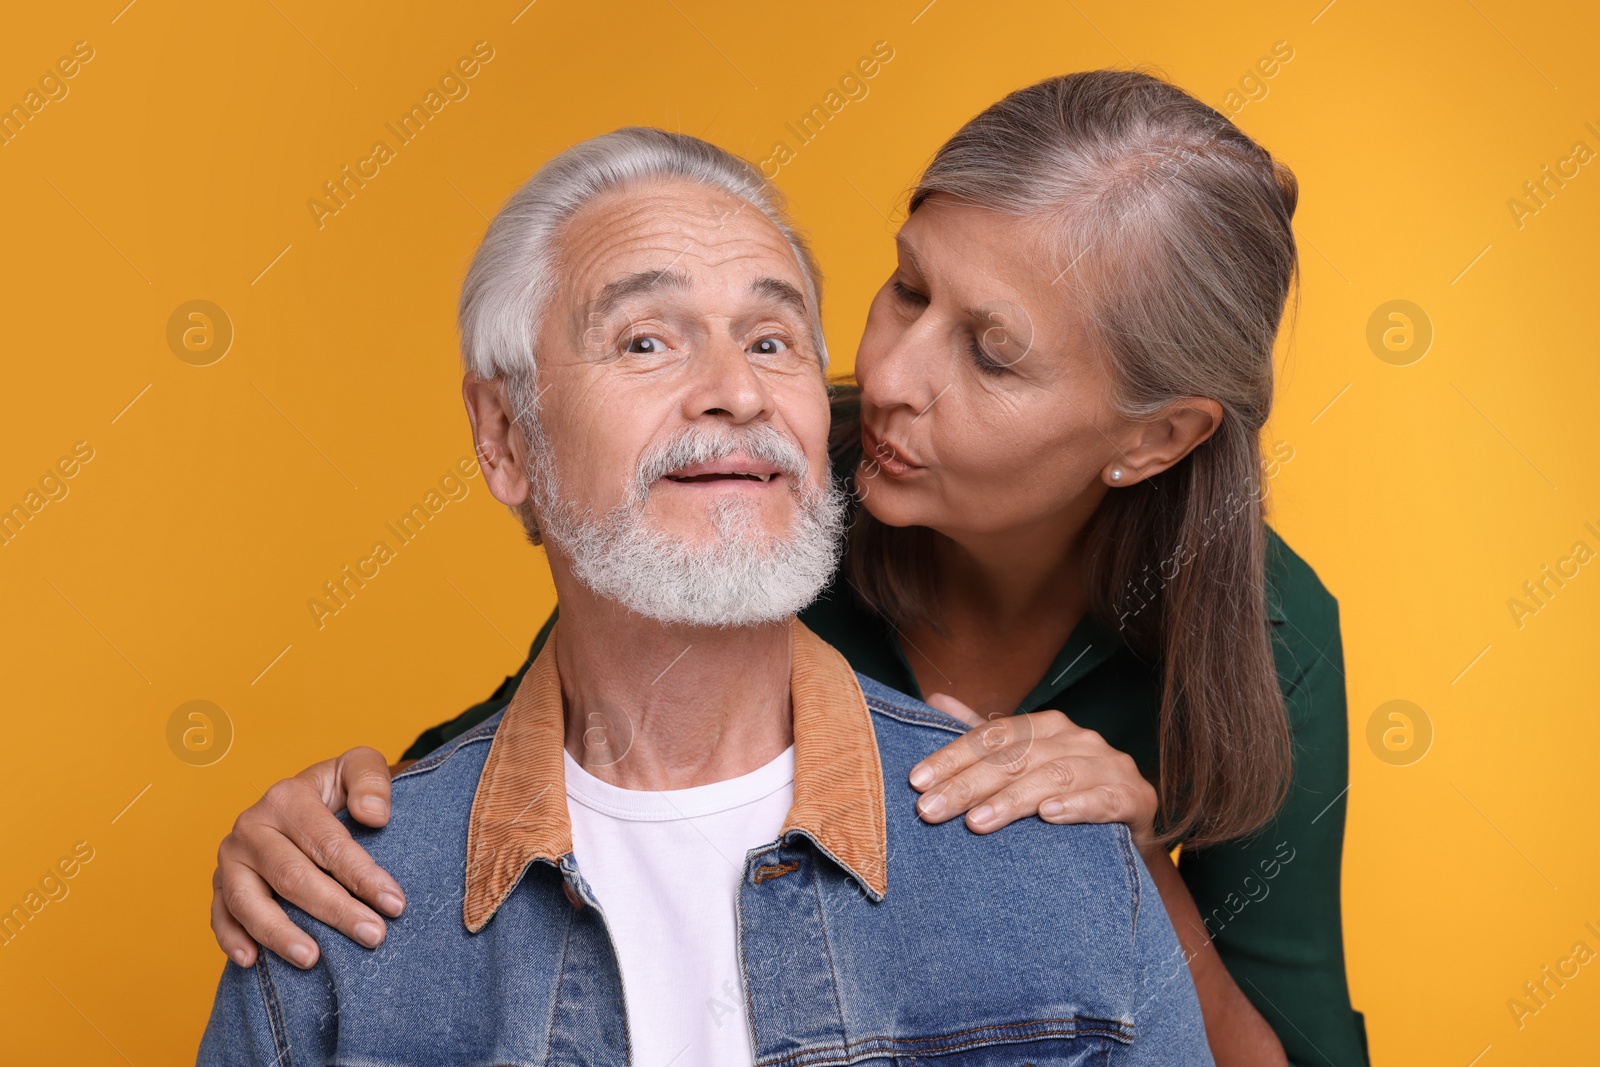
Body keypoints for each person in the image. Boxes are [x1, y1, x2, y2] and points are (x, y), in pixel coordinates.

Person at [209, 71, 1367, 1065]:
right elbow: (542, 739)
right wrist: (326, 823)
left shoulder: (1268, 636)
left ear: (1153, 438)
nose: (890, 374)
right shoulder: (758, 489)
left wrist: (1118, 864)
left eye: (992, 353)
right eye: (907, 287)